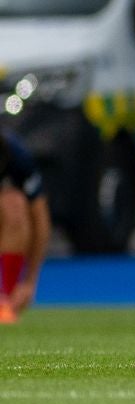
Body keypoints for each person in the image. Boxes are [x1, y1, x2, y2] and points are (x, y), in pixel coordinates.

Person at [0, 133, 50, 324]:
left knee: (15, 204)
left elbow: (40, 218)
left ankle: (7, 299)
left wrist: (30, 282)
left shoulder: (16, 156)